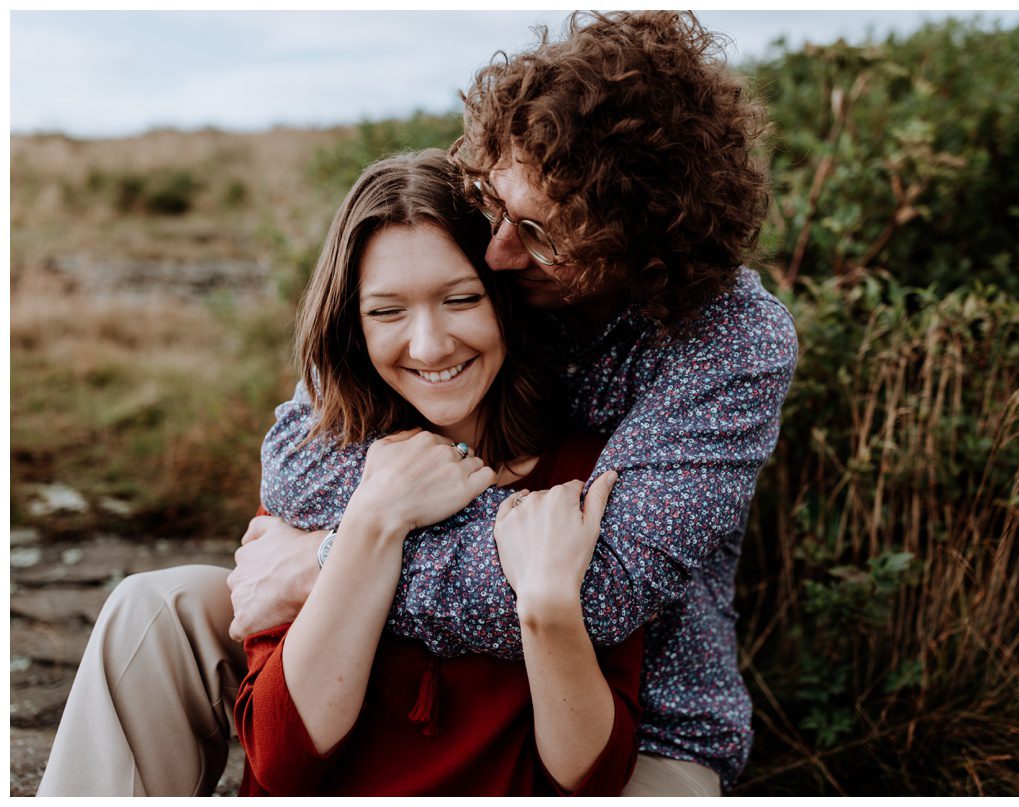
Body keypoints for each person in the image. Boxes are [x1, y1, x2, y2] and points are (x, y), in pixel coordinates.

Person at [38, 11, 797, 797]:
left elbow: (595, 587)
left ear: (630, 251)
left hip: (626, 696)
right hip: (405, 616)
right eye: (497, 209)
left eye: (536, 235)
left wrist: (325, 563)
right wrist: (364, 534)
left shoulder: (729, 342)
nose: (498, 252)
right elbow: (302, 462)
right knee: (155, 611)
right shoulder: (474, 235)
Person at [236, 149, 641, 796]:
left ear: (508, 300)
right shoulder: (322, 466)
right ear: (352, 326)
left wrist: (548, 606)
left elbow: (591, 778)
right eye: (387, 312)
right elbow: (280, 761)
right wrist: (372, 519)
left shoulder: (586, 473)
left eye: (461, 299)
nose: (429, 345)